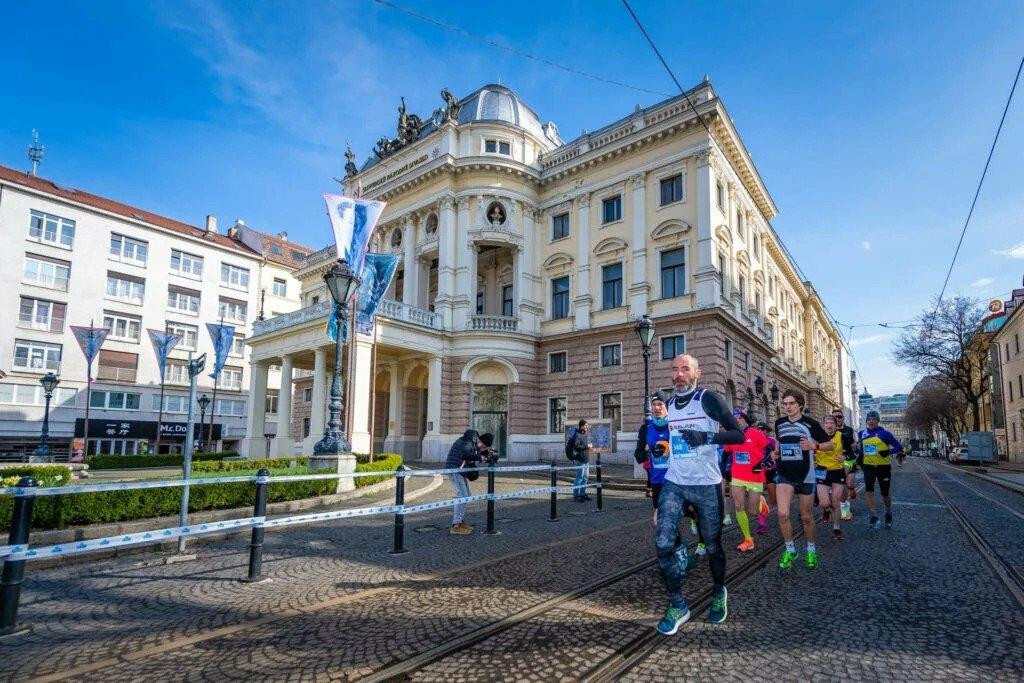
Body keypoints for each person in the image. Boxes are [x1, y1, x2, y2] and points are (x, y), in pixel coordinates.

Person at [654, 354, 745, 635]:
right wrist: (665, 449)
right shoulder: (669, 405)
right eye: (675, 369)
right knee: (662, 541)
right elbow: (677, 439)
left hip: (707, 484)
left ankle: (719, 591)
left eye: (685, 369)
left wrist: (707, 437)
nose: (679, 374)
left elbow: (738, 435)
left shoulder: (708, 399)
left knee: (713, 544)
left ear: (697, 373)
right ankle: (678, 604)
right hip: (675, 481)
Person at [774, 389, 835, 570]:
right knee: (782, 513)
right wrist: (775, 453)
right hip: (785, 474)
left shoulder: (811, 424)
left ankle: (810, 548)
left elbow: (829, 444)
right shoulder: (779, 423)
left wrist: (814, 445)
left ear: (800, 404)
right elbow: (779, 443)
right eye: (785, 404)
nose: (788, 407)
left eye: (791, 403)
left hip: (806, 475)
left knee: (806, 517)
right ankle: (791, 549)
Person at [723, 409, 771, 552]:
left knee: (753, 511)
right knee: (738, 506)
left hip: (755, 475)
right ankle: (748, 539)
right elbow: (726, 454)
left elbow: (769, 450)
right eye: (733, 418)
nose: (735, 420)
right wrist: (723, 470)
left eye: (738, 417)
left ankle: (762, 503)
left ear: (745, 419)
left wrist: (761, 464)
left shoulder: (755, 433)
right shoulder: (732, 435)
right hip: (737, 474)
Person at [858, 410, 904, 529]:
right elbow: (861, 450)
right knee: (869, 490)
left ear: (878, 421)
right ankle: (873, 515)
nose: (871, 421)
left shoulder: (885, 434)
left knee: (885, 493)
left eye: (874, 419)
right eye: (869, 419)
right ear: (866, 421)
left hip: (883, 467)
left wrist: (888, 451)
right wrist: (859, 459)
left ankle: (888, 511)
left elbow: (899, 447)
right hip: (868, 466)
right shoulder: (861, 433)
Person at [445, 429, 484, 535]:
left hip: (458, 470)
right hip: (455, 470)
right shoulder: (466, 443)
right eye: (475, 438)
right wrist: (479, 457)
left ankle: (460, 521)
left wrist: (479, 454)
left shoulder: (465, 442)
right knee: (462, 495)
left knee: (466, 495)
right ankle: (456, 525)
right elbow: (466, 455)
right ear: (472, 437)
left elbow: (469, 455)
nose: (476, 440)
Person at [816, 416, 848, 540]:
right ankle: (826, 510)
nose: (829, 425)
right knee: (824, 503)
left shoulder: (842, 436)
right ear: (823, 425)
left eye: (831, 423)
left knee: (835, 503)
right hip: (821, 471)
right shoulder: (817, 437)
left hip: (837, 472)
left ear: (836, 425)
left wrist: (845, 458)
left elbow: (850, 453)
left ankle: (836, 528)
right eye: (826, 423)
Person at [829, 408, 857, 520]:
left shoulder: (848, 430)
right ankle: (844, 507)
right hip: (835, 460)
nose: (837, 419)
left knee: (849, 484)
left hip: (848, 459)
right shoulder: (828, 430)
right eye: (834, 417)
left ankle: (852, 488)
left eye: (839, 417)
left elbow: (849, 441)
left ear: (843, 418)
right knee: (842, 482)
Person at [756, 421, 777, 535]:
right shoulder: (754, 440)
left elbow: (777, 454)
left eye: (762, 429)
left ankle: (782, 511)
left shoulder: (772, 441)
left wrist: (771, 463)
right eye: (758, 429)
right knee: (759, 498)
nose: (760, 431)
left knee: (773, 499)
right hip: (758, 471)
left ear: (766, 431)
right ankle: (762, 524)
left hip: (771, 471)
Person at [566, 419, 593, 502]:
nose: (587, 427)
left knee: (585, 478)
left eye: (587, 425)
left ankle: (582, 494)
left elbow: (586, 445)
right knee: (579, 477)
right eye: (585, 425)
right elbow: (576, 446)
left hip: (586, 459)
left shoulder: (586, 434)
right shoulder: (577, 435)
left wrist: (589, 446)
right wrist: (586, 447)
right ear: (581, 426)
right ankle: (576, 495)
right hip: (580, 459)